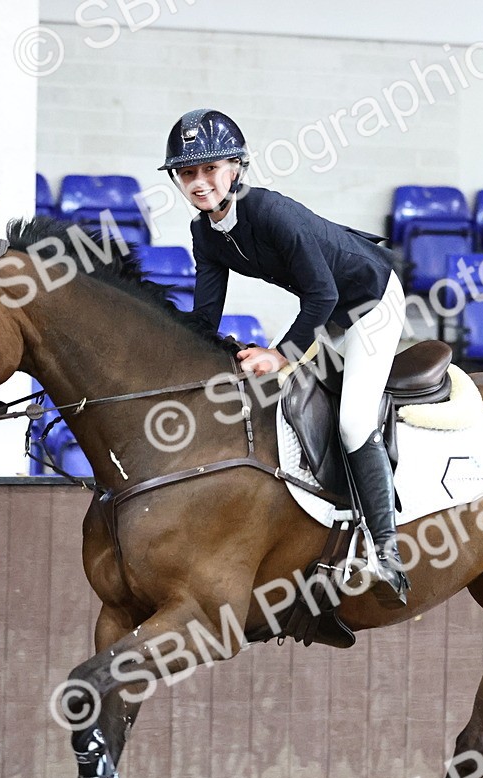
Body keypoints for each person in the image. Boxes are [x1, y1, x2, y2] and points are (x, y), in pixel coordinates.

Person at [160, 108, 409, 607]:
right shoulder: (205, 233)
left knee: (354, 422)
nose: (199, 182)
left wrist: (279, 355)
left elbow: (322, 298)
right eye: (188, 173)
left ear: (236, 168)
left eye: (210, 169)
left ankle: (387, 554)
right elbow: (205, 315)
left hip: (368, 302)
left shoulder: (270, 211)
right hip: (329, 305)